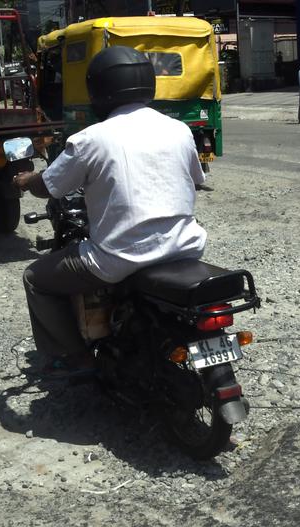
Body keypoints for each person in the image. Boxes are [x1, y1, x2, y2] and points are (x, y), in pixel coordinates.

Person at [12, 46, 207, 378]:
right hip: (186, 247)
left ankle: (77, 356)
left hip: (119, 260)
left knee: (35, 278)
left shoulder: (90, 139)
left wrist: (27, 179)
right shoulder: (179, 130)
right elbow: (195, 180)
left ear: (98, 89)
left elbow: (50, 186)